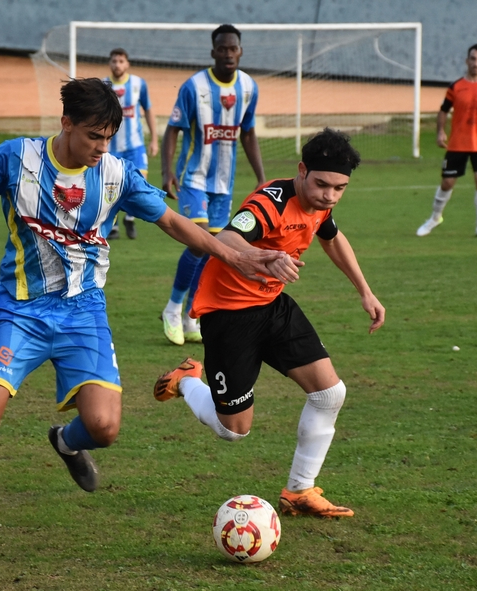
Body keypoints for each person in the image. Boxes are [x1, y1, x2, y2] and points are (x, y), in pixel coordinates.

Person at [0, 78, 282, 549]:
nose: (101, 147)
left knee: (105, 428)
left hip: (84, 314)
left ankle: (65, 441)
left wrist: (235, 256)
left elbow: (175, 223)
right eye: (93, 135)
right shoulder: (18, 158)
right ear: (66, 123)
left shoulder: (117, 173)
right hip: (18, 310)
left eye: (108, 137)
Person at [154, 128, 384, 519]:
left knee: (329, 394)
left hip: (273, 306)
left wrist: (365, 290)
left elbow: (332, 236)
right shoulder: (272, 201)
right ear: (301, 171)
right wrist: (266, 255)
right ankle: (188, 378)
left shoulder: (320, 202)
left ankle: (300, 490)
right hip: (228, 316)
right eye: (322, 184)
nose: (329, 195)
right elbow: (228, 236)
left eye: (339, 188)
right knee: (233, 430)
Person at [160, 23, 265, 345]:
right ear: (213, 52)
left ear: (240, 51)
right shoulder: (194, 87)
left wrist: (262, 178)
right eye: (222, 48)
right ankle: (173, 308)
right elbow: (173, 129)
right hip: (193, 177)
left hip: (224, 183)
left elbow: (247, 132)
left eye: (233, 48)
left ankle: (193, 317)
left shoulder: (249, 87)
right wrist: (167, 171)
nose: (228, 54)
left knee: (211, 251)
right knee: (198, 240)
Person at [416, 44, 477, 238]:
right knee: (447, 182)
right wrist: (440, 131)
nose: (476, 63)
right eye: (473, 59)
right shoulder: (456, 87)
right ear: (467, 61)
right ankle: (434, 218)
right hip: (458, 142)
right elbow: (443, 110)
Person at [105, 48, 158, 240]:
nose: (117, 64)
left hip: (135, 146)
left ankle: (130, 216)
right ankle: (114, 225)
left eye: (121, 61)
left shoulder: (138, 84)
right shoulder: (104, 85)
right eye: (114, 61)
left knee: (139, 179)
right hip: (111, 147)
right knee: (112, 185)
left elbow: (149, 110)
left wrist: (153, 139)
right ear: (109, 64)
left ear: (127, 64)